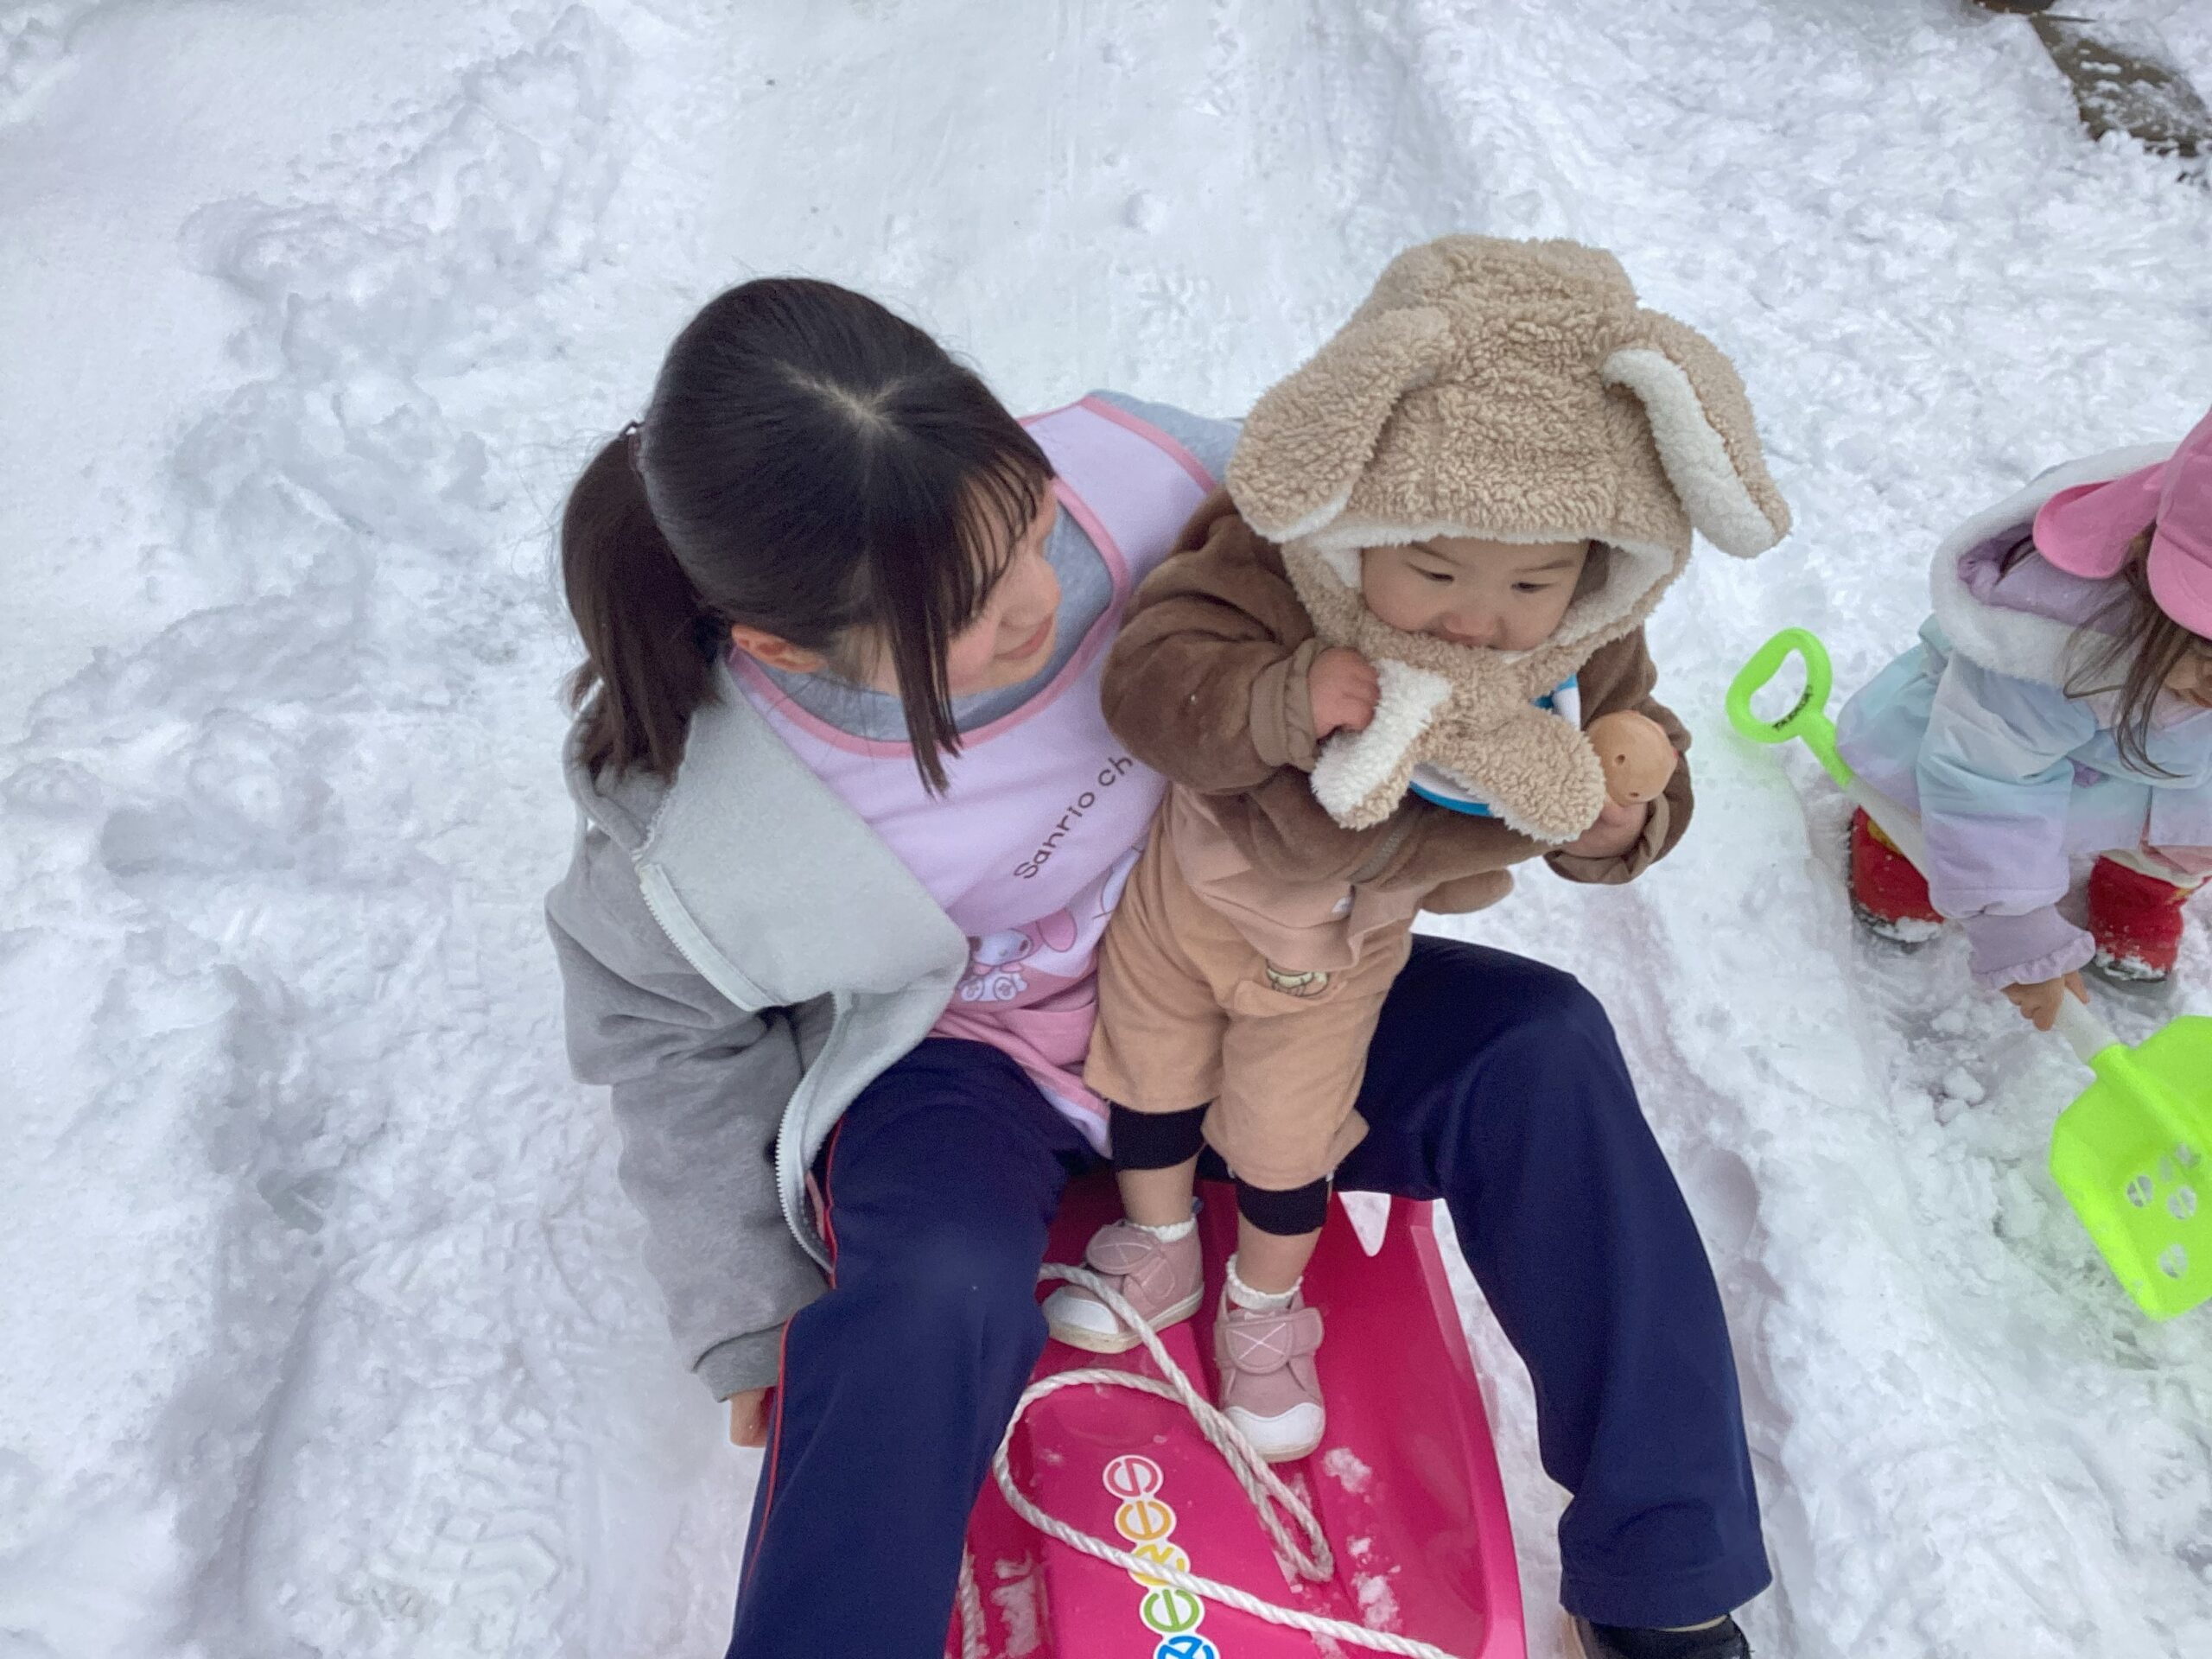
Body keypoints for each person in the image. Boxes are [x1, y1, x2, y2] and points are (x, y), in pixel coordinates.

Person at [545, 273, 1774, 1659]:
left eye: (1024, 533)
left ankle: (1665, 1572)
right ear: (781, 646)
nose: (1030, 606)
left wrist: (1618, 791)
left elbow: (1499, 592)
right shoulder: (719, 804)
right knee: (922, 1301)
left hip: (1257, 983)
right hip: (973, 1066)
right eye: (958, 618)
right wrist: (746, 1308)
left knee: (1537, 1045)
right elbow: (659, 1025)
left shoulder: (1168, 479)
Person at [1040, 238, 1785, 1494]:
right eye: (1434, 570)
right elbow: (1155, 683)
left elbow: (1627, 754)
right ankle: (1159, 1239)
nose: (1477, 617)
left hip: (1337, 948)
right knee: (1150, 1070)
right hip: (1191, 897)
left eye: (1533, 581)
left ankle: (1268, 1312)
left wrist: (1620, 812)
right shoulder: (1275, 567)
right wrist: (1283, 698)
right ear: (1363, 519)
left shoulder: (1578, 644)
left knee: (1286, 1134)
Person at [1835, 406, 2212, 1026]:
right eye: (2206, 652)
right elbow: (1985, 776)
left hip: (2166, 774)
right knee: (1936, 793)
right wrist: (2014, 923)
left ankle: (2142, 882)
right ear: (2145, 564)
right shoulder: (2061, 639)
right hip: (1987, 753)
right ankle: (1902, 846)